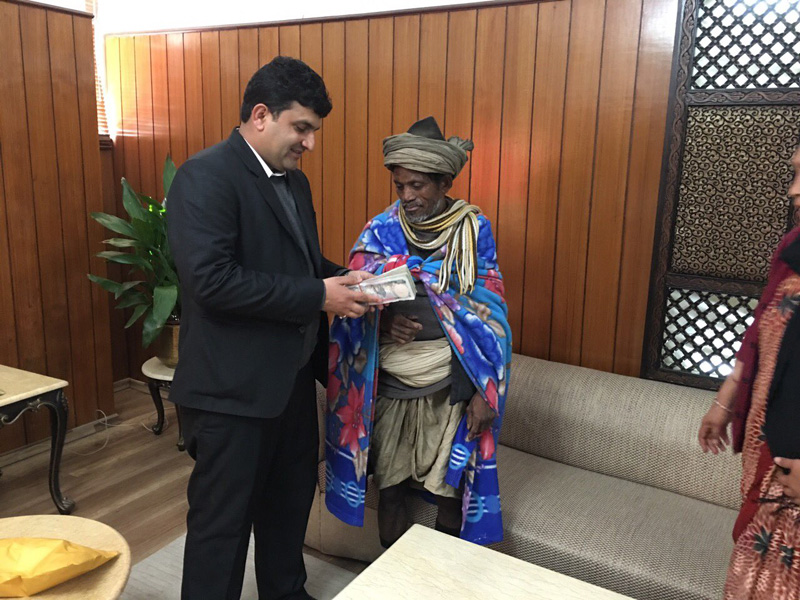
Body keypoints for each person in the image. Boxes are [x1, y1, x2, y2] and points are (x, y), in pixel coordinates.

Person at [166, 56, 375, 600]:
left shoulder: (294, 184)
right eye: (301, 128)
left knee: (287, 513)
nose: (309, 142)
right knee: (223, 529)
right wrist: (317, 295)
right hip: (229, 395)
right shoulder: (204, 177)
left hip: (290, 387)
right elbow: (213, 282)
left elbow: (300, 268)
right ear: (261, 115)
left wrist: (344, 279)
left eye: (313, 131)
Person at [324, 116, 513, 547]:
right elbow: (351, 294)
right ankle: (392, 581)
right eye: (400, 186)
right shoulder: (382, 230)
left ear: (445, 182)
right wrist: (383, 318)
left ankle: (438, 582)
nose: (407, 196)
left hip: (452, 384)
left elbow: (488, 317)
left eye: (418, 186)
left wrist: (484, 391)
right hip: (391, 382)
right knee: (390, 490)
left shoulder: (471, 230)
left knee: (448, 493)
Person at [698, 138, 800, 598]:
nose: (793, 191)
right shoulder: (793, 248)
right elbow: (762, 332)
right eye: (793, 174)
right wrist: (725, 400)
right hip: (770, 438)